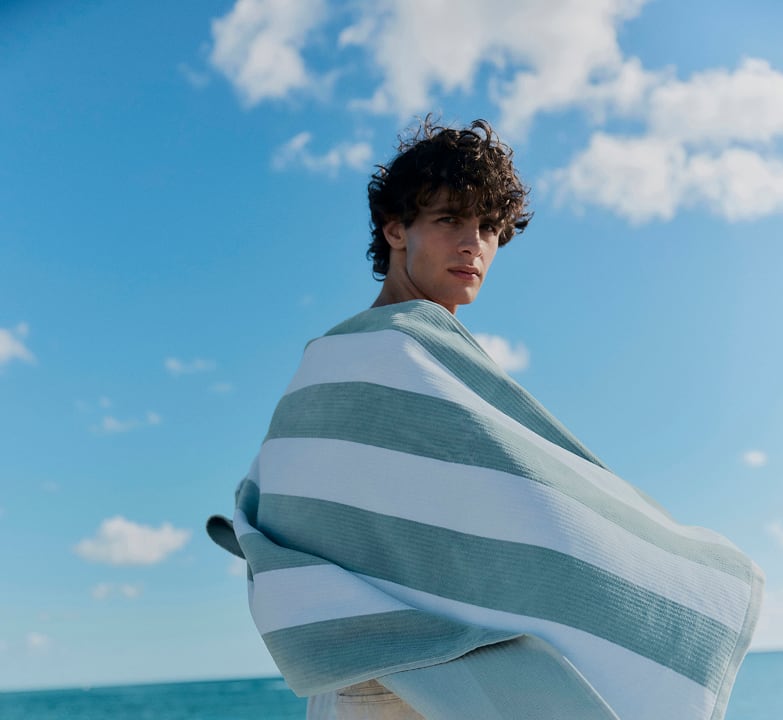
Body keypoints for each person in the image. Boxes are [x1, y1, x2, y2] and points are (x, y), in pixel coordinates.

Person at [208, 118, 763, 720]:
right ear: (395, 228)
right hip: (390, 692)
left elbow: (519, 514)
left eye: (489, 229)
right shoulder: (378, 356)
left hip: (420, 673)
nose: (473, 244)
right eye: (450, 220)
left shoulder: (401, 360)